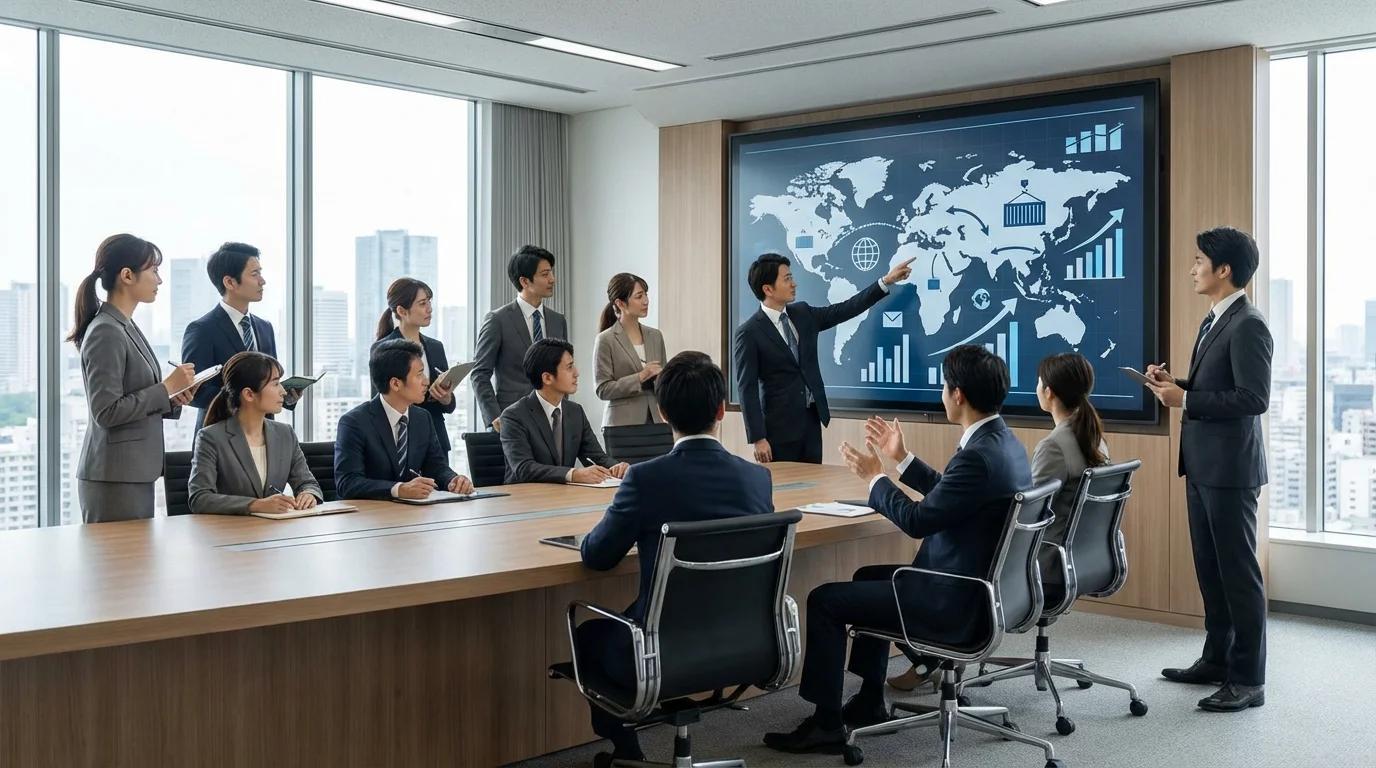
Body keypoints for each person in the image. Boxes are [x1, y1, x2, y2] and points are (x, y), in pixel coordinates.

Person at [765, 345, 1031, 755]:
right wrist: (901, 459)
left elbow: (917, 520)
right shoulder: (1003, 442)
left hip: (950, 597)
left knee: (824, 600)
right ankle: (870, 701)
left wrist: (876, 480)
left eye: (944, 385)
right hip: (979, 588)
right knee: (867, 577)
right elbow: (954, 493)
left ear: (957, 394)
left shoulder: (978, 455)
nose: (942, 392)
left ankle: (826, 724)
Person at [575, 351, 774, 761]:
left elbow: (598, 556)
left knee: (587, 637)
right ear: (722, 409)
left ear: (662, 413)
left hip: (660, 652)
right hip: (745, 644)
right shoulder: (758, 478)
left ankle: (627, 748)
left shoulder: (645, 479)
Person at [888, 351, 1110, 692]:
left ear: (1049, 392)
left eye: (1038, 382)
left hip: (1032, 562)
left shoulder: (1052, 446)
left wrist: (880, 477)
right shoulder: (1091, 437)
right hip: (1081, 558)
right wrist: (905, 461)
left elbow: (1016, 514)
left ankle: (933, 656)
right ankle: (928, 661)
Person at [1146, 226, 1272, 713]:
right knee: (1210, 570)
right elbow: (1213, 385)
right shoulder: (1214, 319)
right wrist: (1174, 384)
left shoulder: (1249, 324)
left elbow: (1253, 398)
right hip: (1201, 465)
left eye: (1200, 261)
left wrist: (1188, 399)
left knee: (1238, 574)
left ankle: (1248, 678)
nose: (1192, 268)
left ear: (1225, 270)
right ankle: (1216, 659)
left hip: (1230, 470)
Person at [733, 252, 913, 464]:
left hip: (810, 422)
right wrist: (758, 438)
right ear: (768, 289)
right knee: (784, 493)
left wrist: (885, 281)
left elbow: (846, 309)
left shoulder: (803, 314)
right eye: (787, 278)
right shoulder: (749, 332)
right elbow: (747, 388)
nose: (794, 283)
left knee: (812, 489)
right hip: (777, 430)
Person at [69, 233, 198, 523]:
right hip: (114, 477)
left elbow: (136, 396)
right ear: (127, 275)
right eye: (153, 271)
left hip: (131, 473)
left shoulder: (124, 326)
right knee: (119, 566)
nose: (159, 280)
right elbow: (106, 411)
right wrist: (165, 388)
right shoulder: (106, 331)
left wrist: (172, 398)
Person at [334, 339, 475, 501]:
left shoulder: (422, 418)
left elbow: (436, 467)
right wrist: (399, 489)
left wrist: (453, 480)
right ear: (395, 383)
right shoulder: (354, 422)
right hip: (368, 518)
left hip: (412, 515)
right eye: (419, 374)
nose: (426, 381)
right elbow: (347, 483)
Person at [188, 351, 323, 515]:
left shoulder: (285, 433)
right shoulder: (211, 437)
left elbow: (307, 482)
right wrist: (254, 505)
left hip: (276, 532)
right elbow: (199, 499)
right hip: (230, 533)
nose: (283, 391)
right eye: (275, 384)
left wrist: (308, 494)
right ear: (249, 394)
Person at [182, 242, 295, 431]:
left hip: (263, 433)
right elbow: (196, 392)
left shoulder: (264, 327)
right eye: (254, 274)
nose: (262, 281)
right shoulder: (202, 329)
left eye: (261, 272)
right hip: (219, 437)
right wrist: (246, 399)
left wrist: (287, 394)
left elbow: (268, 381)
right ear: (230, 282)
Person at [498, 338, 628, 485]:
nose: (577, 373)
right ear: (547, 378)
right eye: (569, 367)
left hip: (564, 496)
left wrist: (617, 468)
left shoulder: (575, 411)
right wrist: (573, 474)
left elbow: (596, 456)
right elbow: (524, 468)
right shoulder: (513, 416)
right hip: (524, 499)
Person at [472, 245, 567, 432]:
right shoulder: (498, 320)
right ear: (524, 281)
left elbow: (563, 369)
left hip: (554, 420)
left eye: (551, 273)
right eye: (545, 274)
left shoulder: (558, 320)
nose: (552, 279)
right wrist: (494, 417)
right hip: (512, 420)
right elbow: (480, 374)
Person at [373, 278, 458, 455]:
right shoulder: (384, 348)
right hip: (401, 439)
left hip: (435, 440)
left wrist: (446, 398)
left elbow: (449, 407)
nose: (430, 309)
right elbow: (379, 401)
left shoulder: (435, 347)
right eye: (422, 303)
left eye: (429, 301)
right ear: (402, 311)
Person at [592, 273, 667, 427]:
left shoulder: (655, 336)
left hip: (658, 421)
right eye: (639, 297)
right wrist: (640, 377)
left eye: (646, 294)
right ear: (621, 304)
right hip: (621, 424)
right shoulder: (606, 339)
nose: (646, 301)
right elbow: (602, 389)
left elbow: (664, 382)